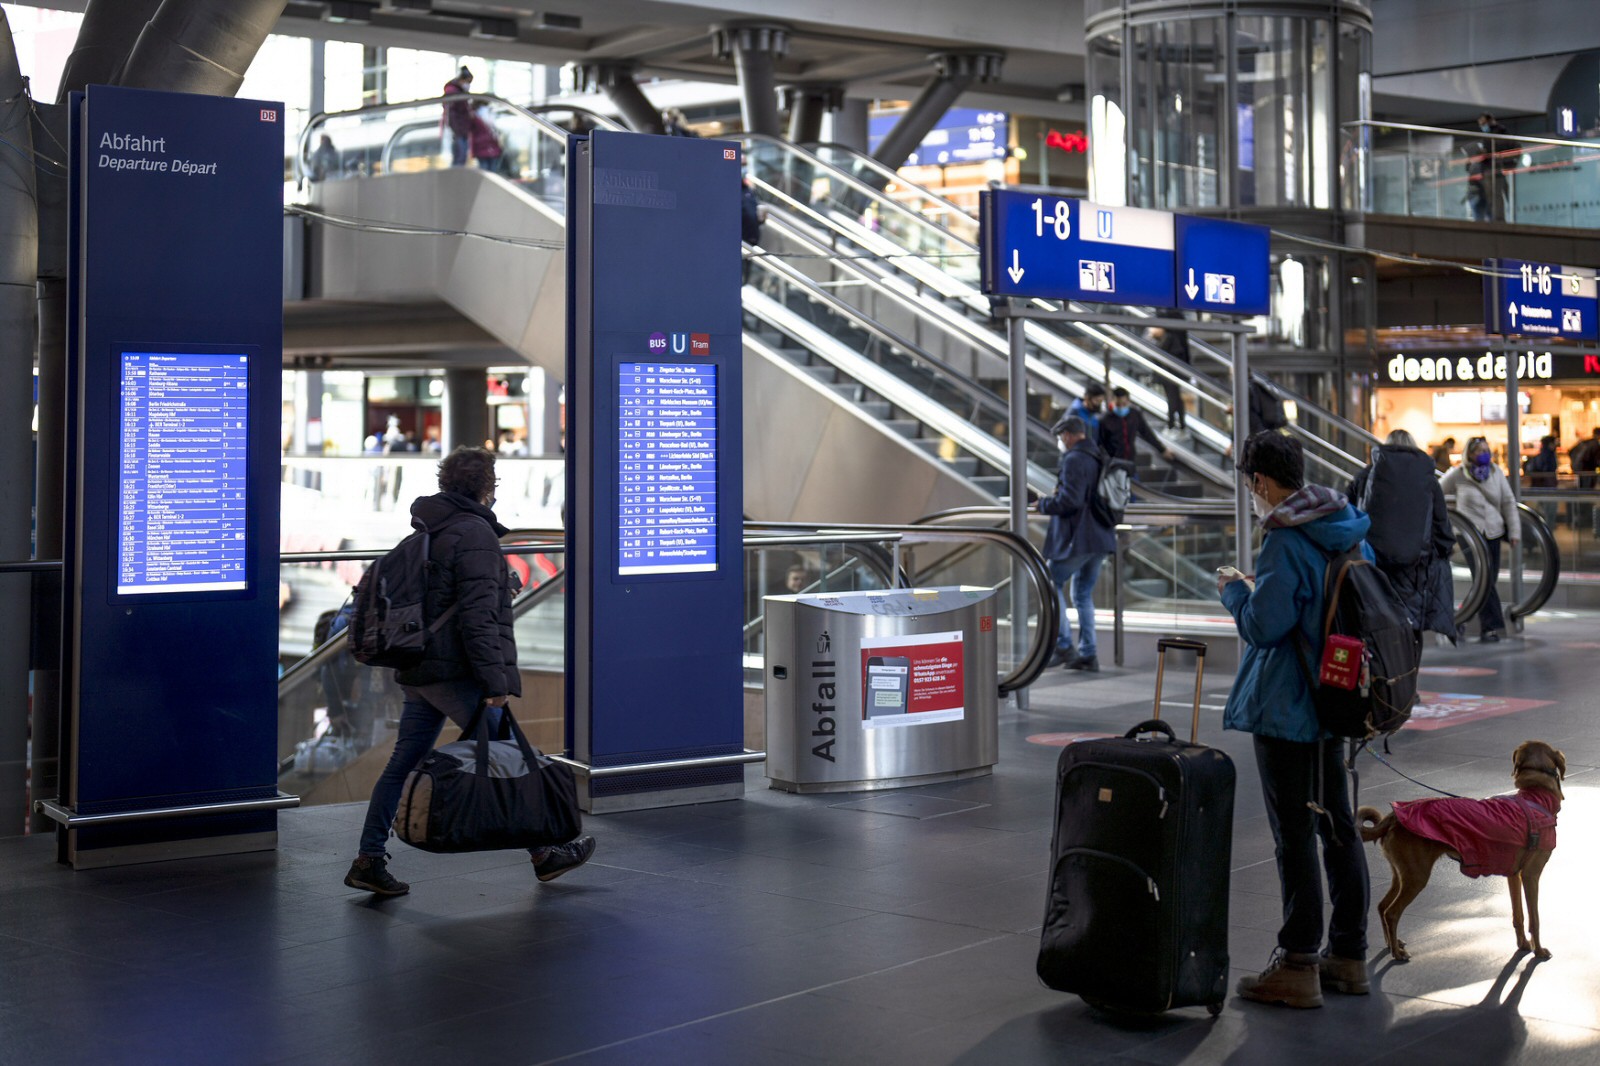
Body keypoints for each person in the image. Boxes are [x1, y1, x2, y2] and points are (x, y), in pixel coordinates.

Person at [345, 447, 596, 896]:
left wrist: (500, 583)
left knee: (403, 762)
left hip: (420, 666)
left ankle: (368, 860)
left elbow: (453, 595)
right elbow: (478, 620)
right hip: (457, 672)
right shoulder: (475, 532)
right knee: (510, 756)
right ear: (487, 487)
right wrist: (495, 683)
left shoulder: (431, 528)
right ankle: (545, 853)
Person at [1219, 431, 1371, 1009]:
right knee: (1337, 824)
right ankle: (1349, 955)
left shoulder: (1284, 539)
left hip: (1288, 706)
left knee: (1294, 835)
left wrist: (1236, 592)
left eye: (1249, 484)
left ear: (1259, 480)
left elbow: (1265, 626)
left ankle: (1299, 962)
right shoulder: (1349, 527)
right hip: (1337, 699)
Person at [1345, 429, 1457, 641]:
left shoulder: (1368, 474)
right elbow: (1441, 524)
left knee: (1376, 623)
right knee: (1410, 625)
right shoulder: (1428, 480)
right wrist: (1445, 548)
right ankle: (1408, 669)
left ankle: (1382, 671)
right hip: (1415, 567)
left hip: (1373, 564)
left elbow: (1347, 511)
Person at [1037, 415, 1116, 672]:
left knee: (1050, 581)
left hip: (1079, 538)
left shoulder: (1074, 459)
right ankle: (1088, 654)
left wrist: (1043, 504)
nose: (1061, 442)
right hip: (1101, 536)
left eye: (1061, 438)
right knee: (1082, 594)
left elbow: (1070, 500)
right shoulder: (1097, 455)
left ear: (1069, 436)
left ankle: (1063, 645)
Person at [1439, 436, 1519, 642]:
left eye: (1486, 449)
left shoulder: (1496, 473)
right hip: (1469, 536)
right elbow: (1437, 491)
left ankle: (1461, 619)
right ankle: (1490, 627)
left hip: (1493, 532)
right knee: (1483, 579)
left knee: (1487, 580)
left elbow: (1509, 502)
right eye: (1479, 450)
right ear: (1470, 454)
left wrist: (1515, 532)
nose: (1484, 454)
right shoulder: (1458, 474)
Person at [1098, 386, 1173, 467]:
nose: (1121, 407)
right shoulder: (1105, 420)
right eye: (1118, 404)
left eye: (1124, 404)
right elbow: (1100, 443)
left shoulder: (1134, 415)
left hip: (1130, 460)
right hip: (1113, 462)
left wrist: (1162, 449)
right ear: (1113, 402)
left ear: (1129, 402)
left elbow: (1147, 433)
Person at [1146, 324, 1191, 432]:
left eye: (1153, 328)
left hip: (1170, 374)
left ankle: (1172, 424)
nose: (1151, 330)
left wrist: (1150, 338)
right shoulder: (1167, 338)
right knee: (1175, 398)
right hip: (1169, 373)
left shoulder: (1168, 337)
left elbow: (1156, 353)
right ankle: (1180, 424)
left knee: (1173, 399)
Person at [1466, 112, 1511, 222]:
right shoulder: (1489, 134)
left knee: (1495, 196)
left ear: (1490, 121)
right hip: (1488, 168)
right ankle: (1493, 218)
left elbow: (1499, 149)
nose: (1482, 127)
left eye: (1483, 123)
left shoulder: (1498, 132)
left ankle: (1497, 219)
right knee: (1490, 196)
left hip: (1494, 168)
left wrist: (1486, 153)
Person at [442, 66, 475, 167]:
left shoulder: (458, 92)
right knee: (460, 157)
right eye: (467, 82)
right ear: (462, 79)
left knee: (460, 157)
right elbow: (452, 112)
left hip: (461, 129)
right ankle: (455, 180)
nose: (468, 85)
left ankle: (456, 179)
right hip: (458, 130)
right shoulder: (453, 92)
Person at [741, 178, 767, 283]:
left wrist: (761, 219)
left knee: (744, 279)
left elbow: (753, 214)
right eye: (742, 164)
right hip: (739, 242)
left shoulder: (749, 190)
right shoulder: (732, 190)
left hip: (750, 241)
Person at [468, 101, 504, 173]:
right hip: (488, 147)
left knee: (486, 172)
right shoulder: (480, 115)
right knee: (491, 172)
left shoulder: (475, 115)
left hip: (486, 148)